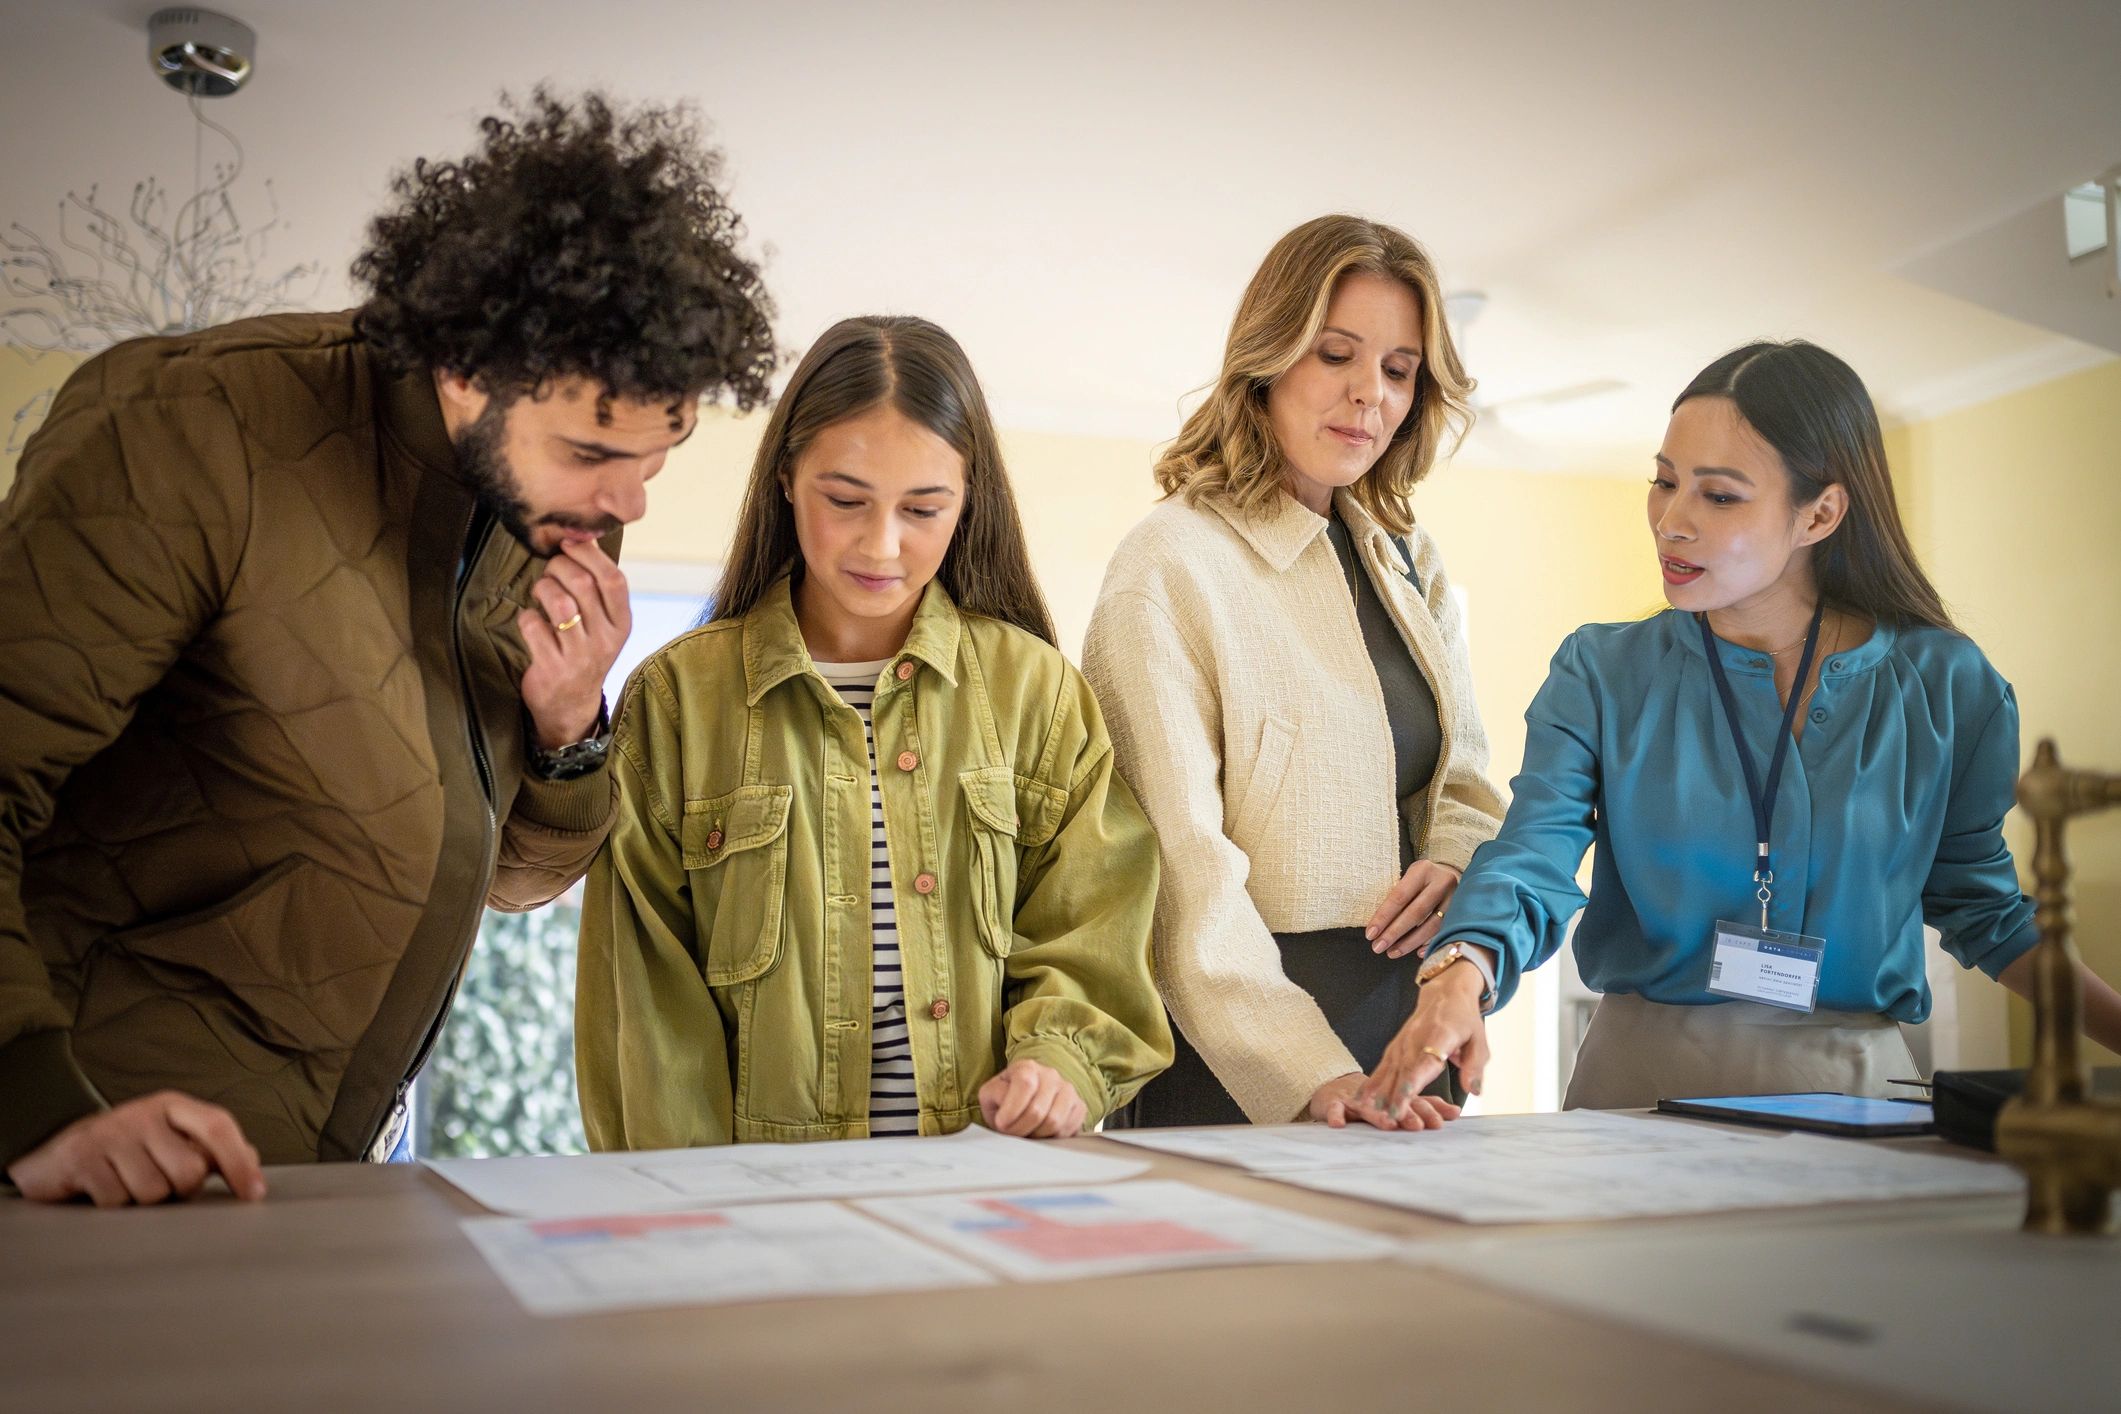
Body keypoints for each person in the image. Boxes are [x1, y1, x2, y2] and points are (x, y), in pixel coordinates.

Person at [0, 91, 778, 1204]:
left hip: (289, 1186)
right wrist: (35, 1105)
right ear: (464, 368)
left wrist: (568, 731)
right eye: (591, 452)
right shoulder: (194, 424)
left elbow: (498, 880)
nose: (628, 504)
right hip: (93, 1166)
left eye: (656, 460)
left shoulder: (531, 523)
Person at [1358, 339, 2121, 1114]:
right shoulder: (1602, 670)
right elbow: (1532, 856)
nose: (1671, 522)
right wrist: (1459, 974)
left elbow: (1983, 910)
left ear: (1819, 513)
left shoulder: (1947, 686)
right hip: (1635, 1093)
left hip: (1854, 1096)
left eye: (1718, 496)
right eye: (1663, 482)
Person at [568, 315, 1171, 1148]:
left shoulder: (1036, 693)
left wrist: (1059, 1063)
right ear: (786, 477)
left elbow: (1095, 923)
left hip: (990, 1186)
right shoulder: (678, 702)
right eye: (845, 500)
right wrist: (697, 1204)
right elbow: (645, 1007)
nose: (881, 545)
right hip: (763, 1203)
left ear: (968, 499)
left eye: (923, 508)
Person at [1081, 214, 1506, 1130]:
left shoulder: (1408, 560)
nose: (1368, 395)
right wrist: (1304, 1071)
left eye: (1398, 370)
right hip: (1236, 1053)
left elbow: (1467, 782)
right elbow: (1175, 868)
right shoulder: (1169, 564)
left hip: (1405, 1035)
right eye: (1334, 354)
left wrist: (1453, 861)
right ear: (1266, 360)